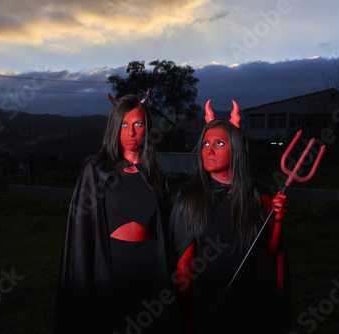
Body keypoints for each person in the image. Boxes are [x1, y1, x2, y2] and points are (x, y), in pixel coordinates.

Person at [168, 101, 292, 333]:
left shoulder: (262, 194)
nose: (209, 150)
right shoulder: (190, 197)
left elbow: (271, 253)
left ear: (236, 149)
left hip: (253, 305)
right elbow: (183, 268)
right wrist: (187, 321)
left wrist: (278, 221)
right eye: (205, 143)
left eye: (219, 143)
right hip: (207, 305)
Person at [55, 91, 172, 333]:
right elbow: (81, 234)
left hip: (149, 270)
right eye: (124, 124)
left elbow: (168, 229)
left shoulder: (156, 174)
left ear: (147, 127)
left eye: (138, 124)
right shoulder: (96, 170)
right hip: (110, 268)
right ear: (114, 128)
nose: (131, 132)